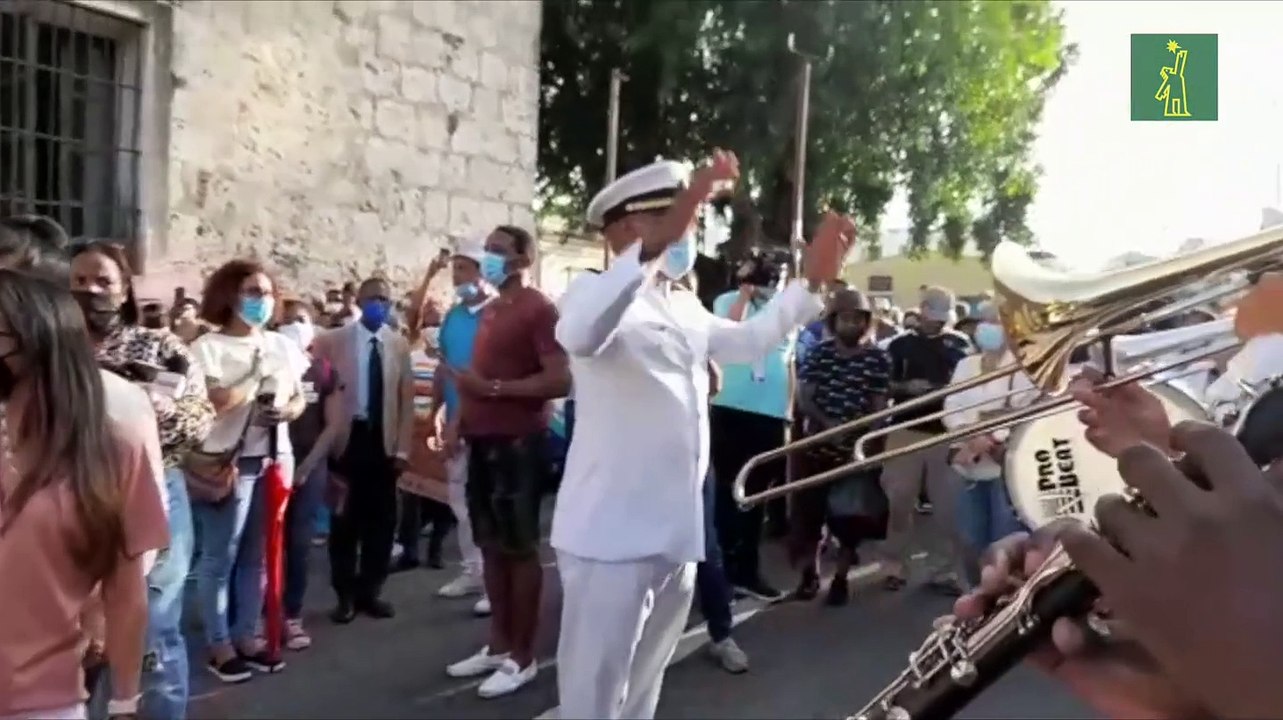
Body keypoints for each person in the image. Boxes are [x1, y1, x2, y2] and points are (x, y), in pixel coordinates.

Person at [551, 153, 850, 719]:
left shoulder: (681, 302)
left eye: (691, 218)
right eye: (680, 217)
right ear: (627, 228)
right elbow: (583, 334)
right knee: (592, 699)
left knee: (641, 695)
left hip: (675, 533)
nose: (691, 230)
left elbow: (748, 342)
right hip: (610, 538)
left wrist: (812, 282)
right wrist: (665, 233)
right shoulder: (591, 294)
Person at [0, 268, 169, 720]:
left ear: (34, 340)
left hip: (42, 699)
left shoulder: (112, 444)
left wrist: (124, 701)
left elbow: (126, 590)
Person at [68, 240, 215, 718]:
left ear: (125, 288)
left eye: (103, 281)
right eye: (79, 282)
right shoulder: (50, 350)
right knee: (73, 632)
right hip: (65, 497)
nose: (91, 291)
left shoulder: (158, 346)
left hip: (152, 489)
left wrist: (146, 414)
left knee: (151, 625)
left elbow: (200, 418)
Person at [444, 225, 569, 699]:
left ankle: (523, 656)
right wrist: (459, 421)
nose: (489, 257)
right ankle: (498, 645)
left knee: (519, 551)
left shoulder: (538, 309)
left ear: (524, 259)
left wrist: (493, 391)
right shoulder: (492, 309)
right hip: (482, 439)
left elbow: (558, 380)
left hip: (519, 444)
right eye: (488, 250)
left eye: (499, 250)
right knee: (491, 545)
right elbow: (473, 379)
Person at [188, 259, 308, 682]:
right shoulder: (207, 348)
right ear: (229, 296)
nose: (262, 301)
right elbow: (216, 401)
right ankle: (218, 643)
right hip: (228, 464)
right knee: (219, 556)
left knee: (257, 556)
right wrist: (257, 374)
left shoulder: (282, 345)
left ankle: (246, 635)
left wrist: (287, 408)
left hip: (275, 459)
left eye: (267, 293)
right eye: (252, 292)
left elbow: (299, 398)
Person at [312, 276, 415, 624]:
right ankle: (344, 596)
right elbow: (317, 393)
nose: (378, 305)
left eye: (385, 299)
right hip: (347, 440)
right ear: (358, 300)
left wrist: (402, 451)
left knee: (382, 523)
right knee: (344, 522)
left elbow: (405, 401)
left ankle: (371, 592)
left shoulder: (398, 344)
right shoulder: (331, 341)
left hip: (382, 442)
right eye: (372, 298)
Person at [790, 289, 891, 605]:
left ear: (866, 322)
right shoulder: (820, 354)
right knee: (810, 518)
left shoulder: (877, 358)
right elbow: (805, 396)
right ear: (834, 321)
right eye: (846, 319)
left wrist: (864, 444)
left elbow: (878, 406)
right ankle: (810, 576)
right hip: (817, 447)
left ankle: (841, 579)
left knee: (850, 521)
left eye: (858, 319)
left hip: (853, 452)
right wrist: (825, 424)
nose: (852, 325)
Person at [708, 248, 798, 601]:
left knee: (756, 496)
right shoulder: (727, 301)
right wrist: (744, 294)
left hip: (771, 415)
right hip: (731, 409)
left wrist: (788, 411)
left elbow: (789, 363)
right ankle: (723, 572)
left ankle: (747, 569)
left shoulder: (786, 312)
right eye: (767, 276)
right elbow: (726, 335)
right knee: (728, 493)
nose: (773, 283)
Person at [878, 286, 972, 594]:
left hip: (946, 432)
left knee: (947, 509)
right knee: (900, 500)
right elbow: (883, 386)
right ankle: (893, 563)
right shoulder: (899, 345)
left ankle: (944, 569)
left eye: (942, 318)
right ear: (921, 311)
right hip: (906, 429)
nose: (937, 323)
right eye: (932, 316)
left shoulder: (960, 345)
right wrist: (907, 387)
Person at [941, 301, 1038, 577]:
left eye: (997, 321)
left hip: (1003, 468)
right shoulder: (966, 364)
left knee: (1004, 539)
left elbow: (1025, 410)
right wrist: (968, 437)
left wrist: (991, 438)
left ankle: (1002, 602)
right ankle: (975, 597)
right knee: (971, 539)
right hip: (967, 464)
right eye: (985, 320)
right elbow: (952, 405)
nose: (988, 327)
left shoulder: (1025, 368)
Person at [428, 236, 493, 616]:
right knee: (460, 502)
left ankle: (491, 581)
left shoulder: (494, 315)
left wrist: (457, 420)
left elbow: (482, 376)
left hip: (482, 423)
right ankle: (472, 571)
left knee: (483, 503)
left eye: (464, 269)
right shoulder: (453, 316)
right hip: (453, 423)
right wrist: (436, 413)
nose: (457, 277)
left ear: (483, 273)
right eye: (454, 270)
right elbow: (445, 367)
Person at [276, 300, 342, 651]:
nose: (292, 326)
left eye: (299, 320)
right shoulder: (267, 367)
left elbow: (332, 425)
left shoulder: (323, 371)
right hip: (270, 468)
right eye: (286, 322)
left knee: (298, 544)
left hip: (308, 467)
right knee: (260, 548)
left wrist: (306, 466)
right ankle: (258, 616)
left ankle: (291, 614)